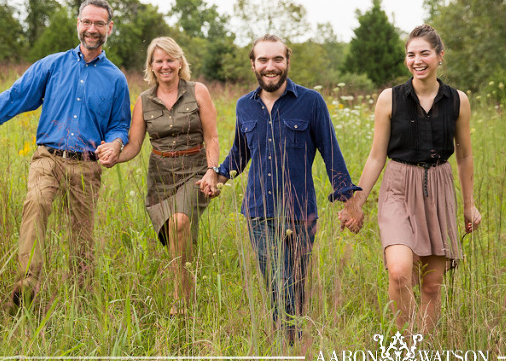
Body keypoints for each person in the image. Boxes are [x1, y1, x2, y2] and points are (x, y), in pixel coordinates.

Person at [0, 0, 131, 312]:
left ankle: (81, 302)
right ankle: (27, 286)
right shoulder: (53, 65)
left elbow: (119, 125)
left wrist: (115, 144)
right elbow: (16, 96)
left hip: (87, 166)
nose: (92, 29)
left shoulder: (116, 79)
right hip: (48, 158)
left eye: (99, 23)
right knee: (37, 202)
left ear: (109, 28)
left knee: (82, 237)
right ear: (78, 24)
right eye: (86, 22)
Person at [198, 34, 361, 343]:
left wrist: (348, 201)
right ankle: (286, 342)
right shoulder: (244, 105)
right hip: (258, 212)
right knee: (275, 280)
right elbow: (240, 154)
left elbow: (331, 152)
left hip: (299, 213)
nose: (270, 66)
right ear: (253, 64)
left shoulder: (311, 102)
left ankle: (292, 342)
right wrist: (216, 177)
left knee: (294, 282)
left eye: (277, 59)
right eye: (263, 60)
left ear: (287, 61)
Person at [340, 24, 482, 334]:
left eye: (425, 53)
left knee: (432, 284)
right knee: (400, 271)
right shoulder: (389, 99)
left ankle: (422, 349)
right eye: (411, 54)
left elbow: (465, 155)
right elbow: (377, 155)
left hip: (439, 187)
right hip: (398, 187)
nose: (417, 60)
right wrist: (356, 203)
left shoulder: (458, 100)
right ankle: (405, 344)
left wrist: (469, 205)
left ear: (439, 56)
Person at [96, 37, 219, 315]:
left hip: (196, 171)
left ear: (179, 62)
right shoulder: (144, 101)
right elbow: (134, 147)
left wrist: (212, 170)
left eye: (170, 59)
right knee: (176, 232)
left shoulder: (198, 91)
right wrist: (114, 156)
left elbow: (212, 137)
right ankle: (187, 282)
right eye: (159, 61)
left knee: (179, 222)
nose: (165, 66)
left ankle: (181, 295)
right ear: (151, 66)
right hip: (161, 177)